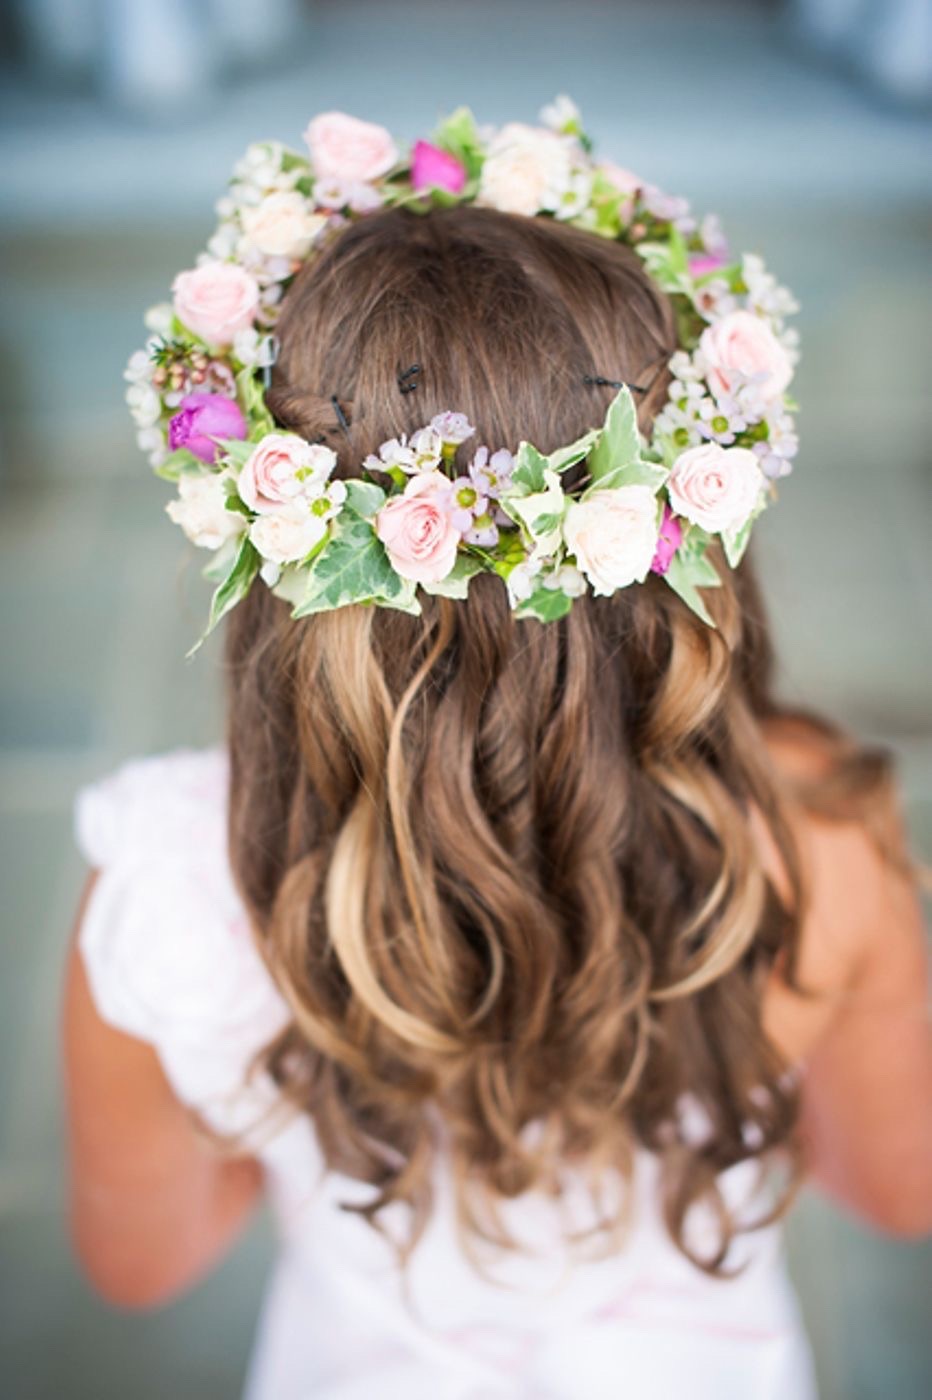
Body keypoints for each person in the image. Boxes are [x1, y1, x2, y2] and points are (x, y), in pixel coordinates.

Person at [61, 105, 932, 1399]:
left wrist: (321, 1085)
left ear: (281, 566)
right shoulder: (818, 841)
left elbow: (148, 1262)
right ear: (677, 537)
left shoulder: (172, 892)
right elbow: (897, 1188)